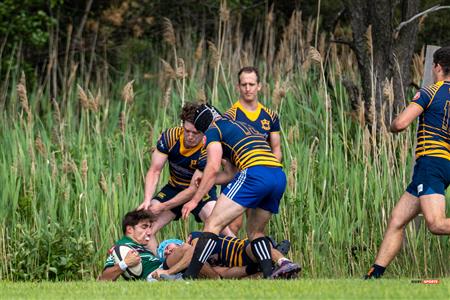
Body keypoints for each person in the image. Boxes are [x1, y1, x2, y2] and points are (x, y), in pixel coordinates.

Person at [181, 104, 295, 279]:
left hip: (255, 173)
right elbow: (230, 173)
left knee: (212, 224)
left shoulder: (213, 129)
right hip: (278, 176)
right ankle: (272, 272)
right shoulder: (240, 126)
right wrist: (204, 179)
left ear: (201, 125)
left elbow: (212, 166)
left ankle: (188, 277)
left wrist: (195, 200)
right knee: (255, 231)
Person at [364, 46, 450, 279]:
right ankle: (373, 276)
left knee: (436, 224)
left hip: (430, 162)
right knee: (397, 219)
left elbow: (401, 123)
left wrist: (391, 124)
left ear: (437, 67)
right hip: (443, 164)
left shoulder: (430, 91)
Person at [137, 103, 234, 251]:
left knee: (218, 224)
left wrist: (163, 206)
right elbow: (154, 170)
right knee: (146, 228)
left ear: (203, 132)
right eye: (187, 131)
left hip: (201, 192)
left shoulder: (207, 146)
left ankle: (244, 255)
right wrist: (147, 199)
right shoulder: (170, 136)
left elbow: (193, 189)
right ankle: (158, 268)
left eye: (195, 133)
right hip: (174, 188)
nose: (190, 136)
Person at [223, 66, 282, 235]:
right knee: (233, 226)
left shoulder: (270, 116)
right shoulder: (230, 116)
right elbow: (223, 153)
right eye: (244, 85)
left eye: (251, 84)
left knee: (256, 229)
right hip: (238, 176)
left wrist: (270, 172)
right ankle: (230, 260)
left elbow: (276, 149)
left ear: (259, 86)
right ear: (238, 87)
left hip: (260, 178)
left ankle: (254, 260)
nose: (248, 88)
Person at [153, 232, 300, 280]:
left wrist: (168, 272)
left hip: (241, 248)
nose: (167, 252)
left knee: (257, 244)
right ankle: (267, 265)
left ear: (177, 242)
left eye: (167, 247)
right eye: (164, 254)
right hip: (237, 264)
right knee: (254, 265)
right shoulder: (199, 266)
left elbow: (195, 249)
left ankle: (282, 260)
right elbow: (221, 274)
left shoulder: (194, 237)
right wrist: (251, 270)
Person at [98, 210, 161, 281]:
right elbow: (104, 278)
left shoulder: (142, 246)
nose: (149, 232)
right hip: (155, 275)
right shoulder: (121, 247)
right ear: (130, 229)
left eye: (150, 227)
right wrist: (124, 263)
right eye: (144, 227)